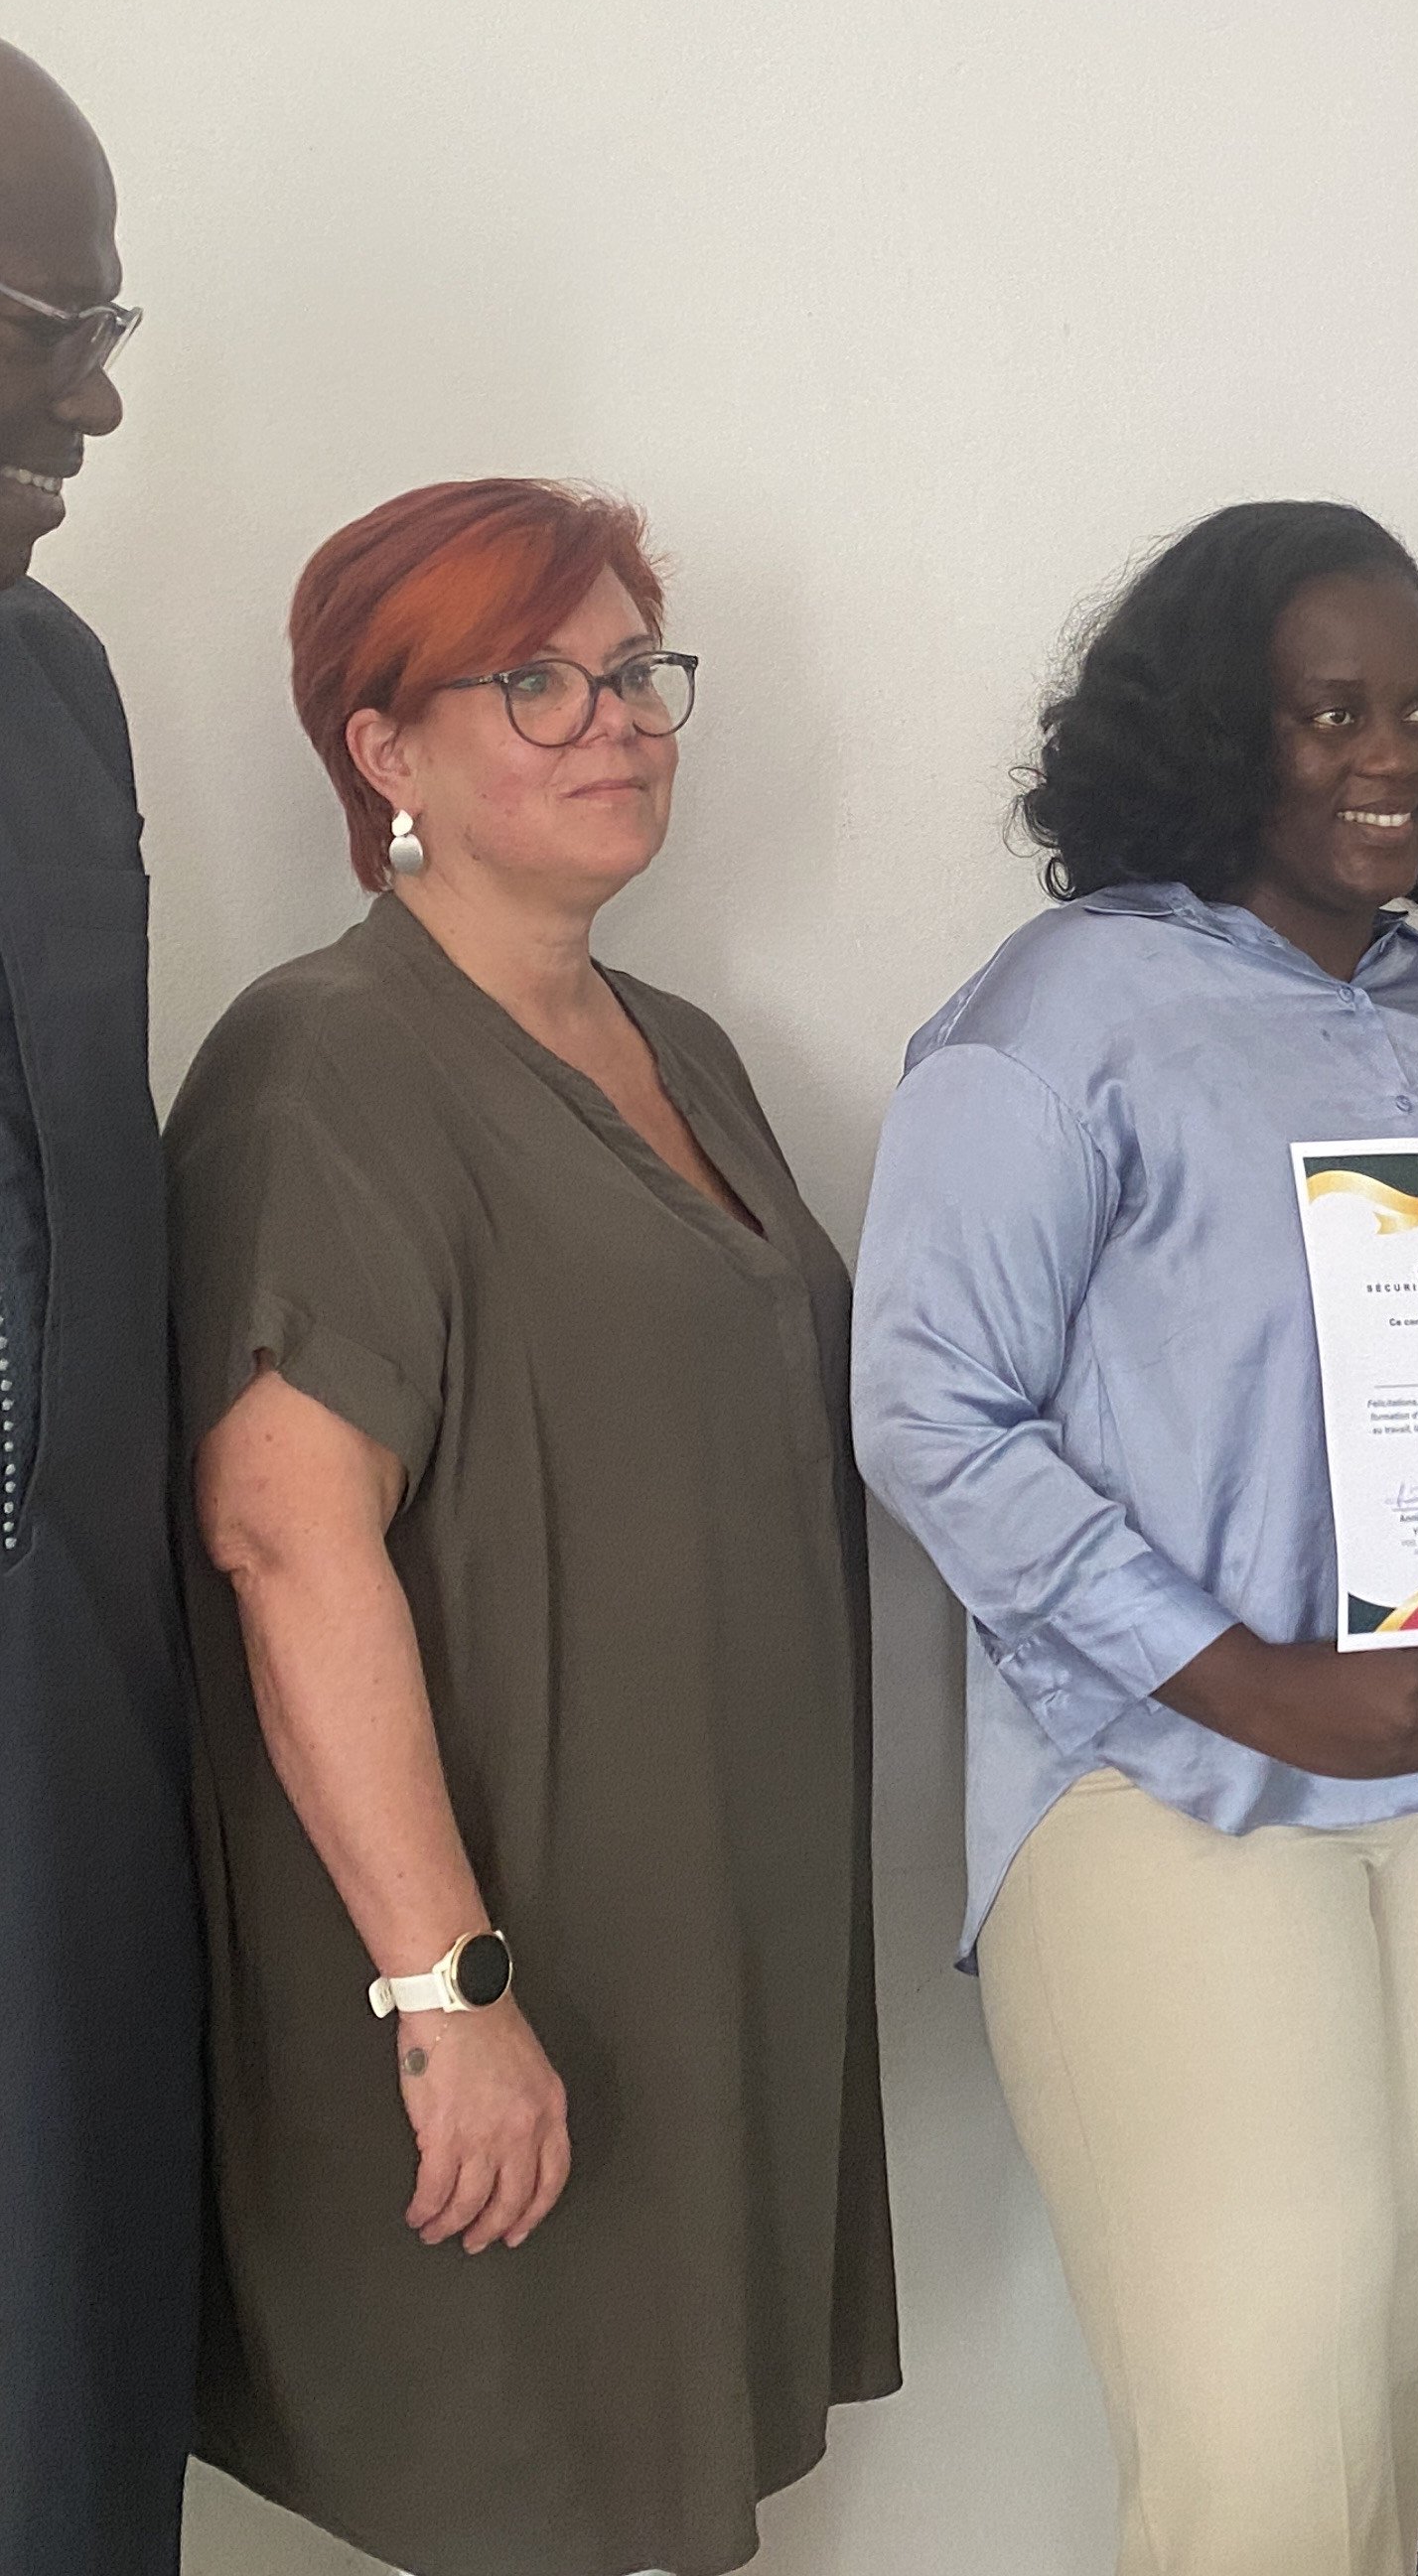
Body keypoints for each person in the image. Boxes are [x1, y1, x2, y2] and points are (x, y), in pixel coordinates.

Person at [852, 500, 1418, 2576]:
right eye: (1330, 710)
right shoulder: (1060, 1017)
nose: (1392, 753)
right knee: (1257, 2435)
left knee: (1378, 2397)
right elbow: (925, 1408)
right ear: (1209, 733)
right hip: (1170, 1789)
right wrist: (1242, 1675)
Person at [169, 478, 899, 2576]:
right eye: (536, 681)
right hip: (499, 1954)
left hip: (696, 1943)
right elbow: (284, 1542)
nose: (617, 720)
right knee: (525, 2496)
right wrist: (449, 1988)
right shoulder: (326, 1061)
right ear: (382, 751)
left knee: (651, 2499)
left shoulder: (686, 1052)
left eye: (635, 669)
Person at [0, 40, 201, 2576]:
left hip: (68, 1700)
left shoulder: (49, 684)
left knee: (58, 2395)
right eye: (52, 328)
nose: (97, 397)